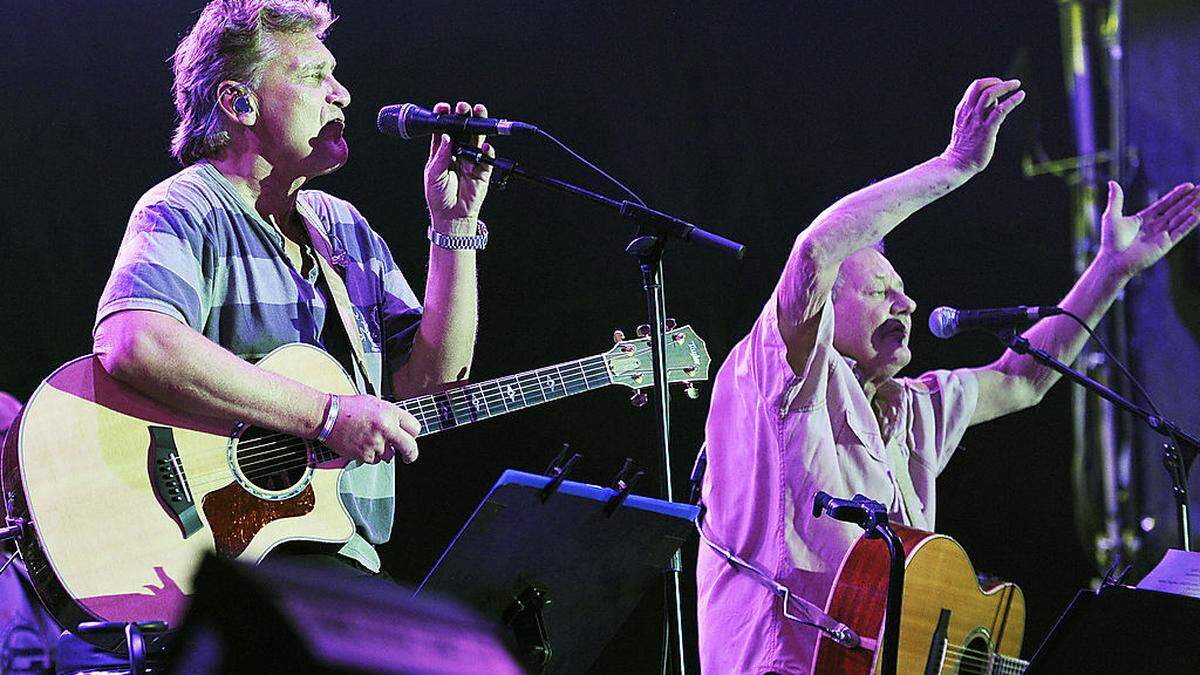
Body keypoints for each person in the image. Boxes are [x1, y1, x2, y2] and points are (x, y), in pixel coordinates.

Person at [695, 76, 1200, 674]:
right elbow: (814, 252)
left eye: (904, 292)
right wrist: (954, 164)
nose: (906, 305)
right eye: (882, 291)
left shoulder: (911, 410)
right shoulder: (778, 381)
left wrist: (1111, 271)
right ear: (828, 306)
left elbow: (1021, 379)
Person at [92, 0, 496, 575]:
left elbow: (428, 389)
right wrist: (327, 417)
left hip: (343, 552)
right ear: (238, 102)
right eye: (313, 75)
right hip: (227, 558)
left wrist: (453, 228)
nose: (343, 94)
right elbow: (136, 340)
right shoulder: (186, 208)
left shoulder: (344, 229)